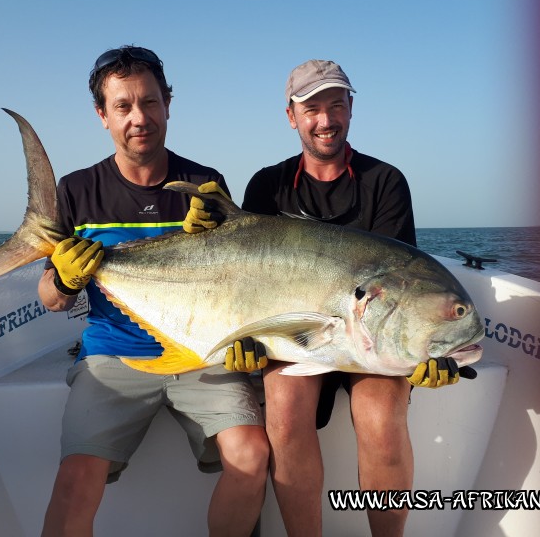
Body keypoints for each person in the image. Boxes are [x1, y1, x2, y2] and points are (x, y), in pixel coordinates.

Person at [185, 59, 468, 537]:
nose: (326, 119)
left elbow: (404, 290)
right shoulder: (267, 186)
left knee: (380, 417)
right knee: (285, 408)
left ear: (351, 109)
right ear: (291, 117)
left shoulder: (385, 182)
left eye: (336, 105)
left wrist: (436, 346)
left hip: (369, 346)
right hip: (300, 340)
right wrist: (248, 337)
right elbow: (246, 281)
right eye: (312, 108)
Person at [38, 45, 270, 537]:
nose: (138, 117)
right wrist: (63, 278)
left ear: (168, 103)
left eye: (149, 102)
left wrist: (245, 338)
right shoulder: (77, 190)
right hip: (113, 356)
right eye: (123, 106)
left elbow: (237, 283)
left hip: (202, 352)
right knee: (75, 480)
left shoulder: (206, 184)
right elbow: (51, 298)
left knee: (251, 455)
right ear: (102, 115)